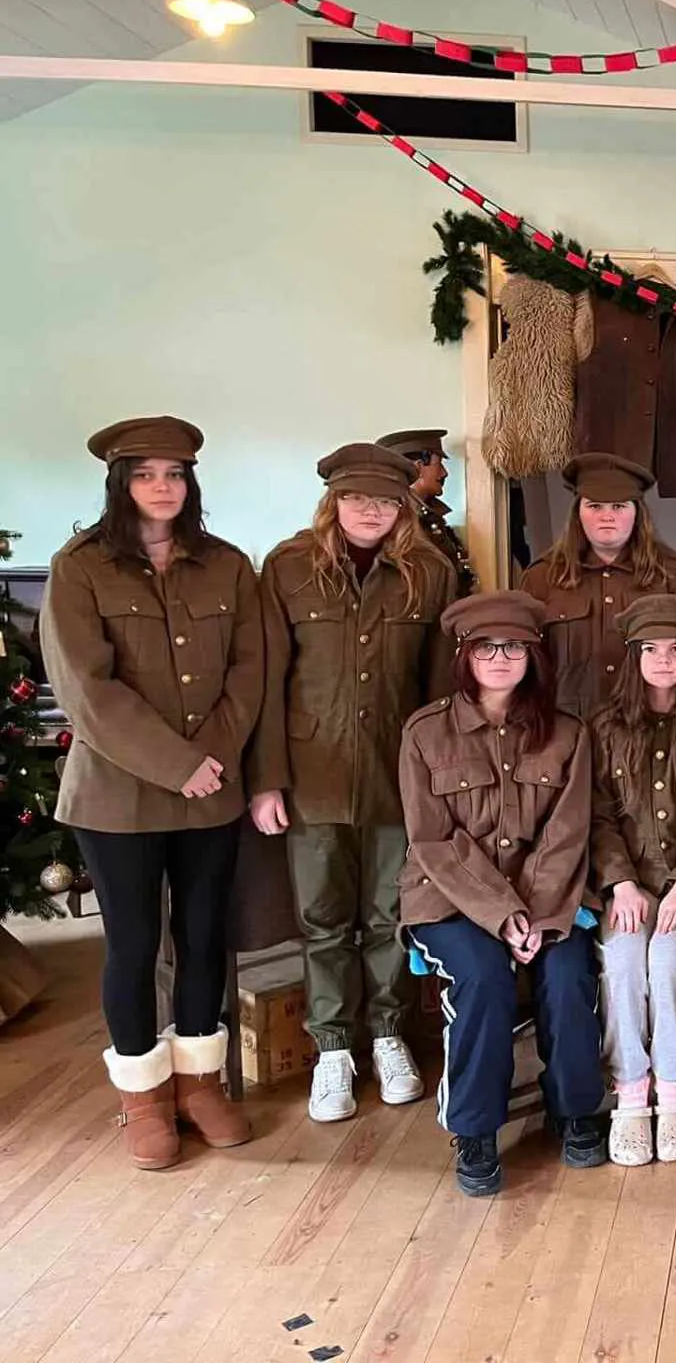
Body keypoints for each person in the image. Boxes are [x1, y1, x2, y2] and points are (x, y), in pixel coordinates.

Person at [41, 416, 263, 1169]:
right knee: (134, 943)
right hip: (117, 795)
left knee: (204, 936)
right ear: (120, 483)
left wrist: (213, 759)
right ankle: (143, 1093)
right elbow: (86, 690)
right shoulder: (80, 567)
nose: (162, 487)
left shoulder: (227, 565)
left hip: (213, 788)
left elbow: (247, 672)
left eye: (174, 474)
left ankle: (201, 1084)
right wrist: (177, 765)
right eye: (145, 475)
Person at [247, 442, 458, 1124]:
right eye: (357, 498)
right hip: (313, 775)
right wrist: (267, 780)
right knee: (322, 918)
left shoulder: (429, 572)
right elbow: (266, 682)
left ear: (405, 506)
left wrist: (441, 782)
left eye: (386, 499)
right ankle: (334, 1046)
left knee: (391, 912)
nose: (371, 510)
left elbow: (438, 688)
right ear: (333, 501)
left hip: (400, 774)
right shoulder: (287, 568)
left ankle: (390, 1034)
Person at [398, 591, 601, 1197]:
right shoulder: (425, 733)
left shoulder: (568, 733)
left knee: (566, 975)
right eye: (486, 647)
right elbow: (432, 840)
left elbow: (568, 832)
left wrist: (535, 913)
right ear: (465, 656)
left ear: (533, 657)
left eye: (515, 647)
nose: (501, 658)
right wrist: (501, 912)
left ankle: (576, 1110)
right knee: (483, 977)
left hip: (551, 897)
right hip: (448, 899)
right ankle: (476, 1128)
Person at [588, 595, 676, 1166]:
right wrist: (620, 882)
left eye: (674, 651)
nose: (663, 661)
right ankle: (631, 1091)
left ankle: (674, 1087)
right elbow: (596, 814)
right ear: (632, 657)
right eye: (650, 650)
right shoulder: (605, 727)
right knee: (621, 961)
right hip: (627, 885)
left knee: (667, 960)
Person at [519, 452, 676, 718]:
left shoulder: (675, 575)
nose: (606, 516)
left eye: (619, 506)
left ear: (637, 513)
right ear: (578, 513)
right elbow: (524, 666)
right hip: (567, 733)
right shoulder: (541, 578)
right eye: (595, 506)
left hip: (649, 732)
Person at [376, 427, 474, 593]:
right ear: (418, 468)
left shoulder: (430, 518)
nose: (444, 473)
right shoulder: (395, 521)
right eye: (439, 464)